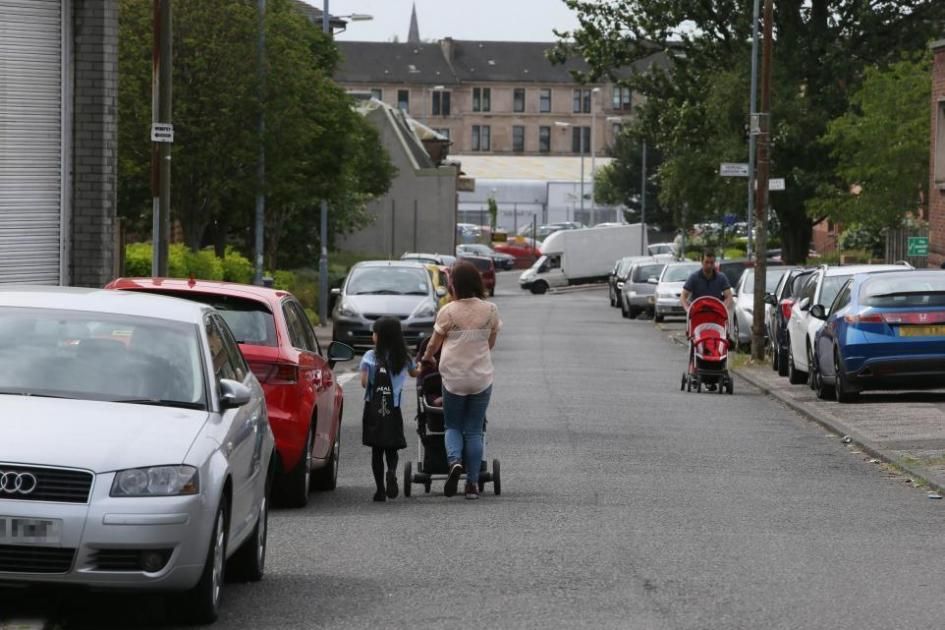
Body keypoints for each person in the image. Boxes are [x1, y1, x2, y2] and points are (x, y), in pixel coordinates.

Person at [421, 261, 501, 500]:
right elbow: (491, 342)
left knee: (453, 425)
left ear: (453, 284)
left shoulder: (448, 311)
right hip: (480, 377)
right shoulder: (490, 310)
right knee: (474, 430)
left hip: (453, 378)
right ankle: (473, 485)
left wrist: (427, 358)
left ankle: (454, 462)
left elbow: (434, 343)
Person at [361, 317, 419, 502]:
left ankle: (380, 491)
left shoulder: (370, 357)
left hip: (374, 409)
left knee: (376, 450)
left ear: (379, 337)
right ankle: (392, 471)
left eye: (374, 333)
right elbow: (414, 372)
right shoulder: (403, 357)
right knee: (391, 448)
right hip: (393, 408)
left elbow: (364, 383)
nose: (373, 336)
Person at [680, 249, 734, 391]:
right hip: (699, 316)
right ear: (701, 262)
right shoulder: (694, 277)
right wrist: (688, 309)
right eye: (706, 262)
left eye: (712, 263)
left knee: (719, 340)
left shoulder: (721, 277)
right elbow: (683, 296)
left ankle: (718, 369)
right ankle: (695, 369)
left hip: (716, 316)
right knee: (696, 342)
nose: (709, 266)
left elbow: (728, 295)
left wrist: (724, 307)